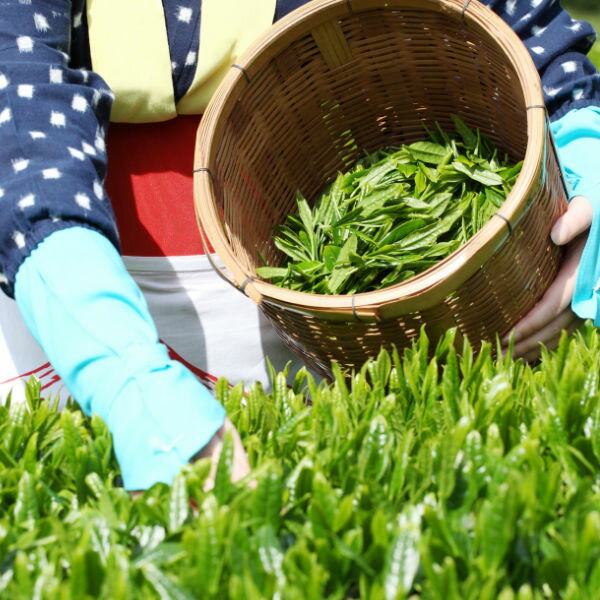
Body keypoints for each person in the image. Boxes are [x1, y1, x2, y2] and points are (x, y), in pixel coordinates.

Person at [0, 0, 598, 491]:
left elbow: (517, 26)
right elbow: (18, 95)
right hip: (72, 289)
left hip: (305, 286)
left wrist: (582, 150)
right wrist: (121, 374)